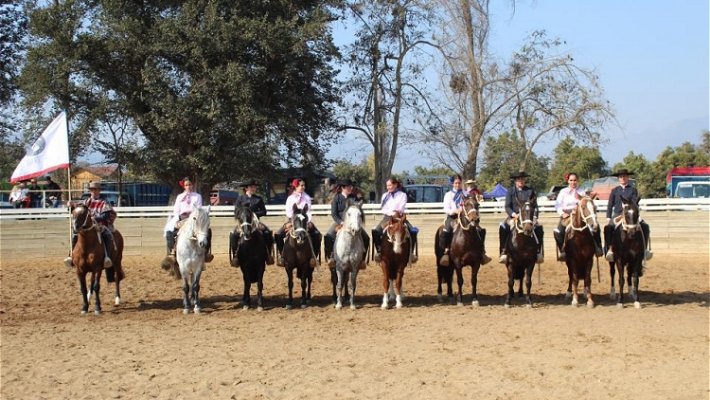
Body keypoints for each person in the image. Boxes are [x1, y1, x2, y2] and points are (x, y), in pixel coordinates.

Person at [439, 174, 492, 266]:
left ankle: (482, 252)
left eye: (459, 183)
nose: (457, 185)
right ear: (453, 184)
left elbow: (472, 204)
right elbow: (446, 209)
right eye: (456, 183)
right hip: (453, 217)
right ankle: (445, 252)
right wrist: (455, 210)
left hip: (465, 217)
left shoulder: (466, 193)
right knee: (446, 230)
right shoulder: (448, 195)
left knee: (480, 230)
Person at [64, 181, 116, 268]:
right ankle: (71, 255)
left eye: (96, 189)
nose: (94, 191)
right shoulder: (86, 202)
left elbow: (105, 215)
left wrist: (94, 218)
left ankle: (107, 257)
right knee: (75, 235)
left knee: (107, 235)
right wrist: (70, 206)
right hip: (86, 226)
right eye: (92, 190)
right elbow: (77, 210)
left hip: (99, 225)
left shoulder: (104, 202)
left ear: (99, 190)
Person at [604, 168, 652, 262]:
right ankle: (609, 249)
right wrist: (608, 217)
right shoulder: (615, 191)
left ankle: (644, 249)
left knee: (645, 226)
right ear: (618, 178)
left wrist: (628, 207)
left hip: (631, 214)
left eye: (625, 176)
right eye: (621, 177)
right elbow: (610, 204)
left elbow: (634, 202)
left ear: (628, 178)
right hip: (618, 214)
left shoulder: (633, 190)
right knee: (608, 228)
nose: (623, 178)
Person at [553, 172, 603, 261]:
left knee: (595, 227)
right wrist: (562, 213)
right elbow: (558, 205)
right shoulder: (563, 192)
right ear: (568, 181)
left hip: (580, 215)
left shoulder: (581, 191)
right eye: (571, 180)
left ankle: (597, 247)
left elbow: (586, 203)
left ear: (577, 181)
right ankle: (563, 251)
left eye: (575, 180)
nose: (573, 182)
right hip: (567, 215)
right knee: (558, 232)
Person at [163, 177, 213, 263]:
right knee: (169, 232)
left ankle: (205, 253)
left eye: (190, 184)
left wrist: (193, 217)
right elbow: (176, 210)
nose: (188, 186)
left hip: (194, 218)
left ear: (192, 185)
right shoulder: (180, 197)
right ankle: (172, 253)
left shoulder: (197, 196)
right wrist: (177, 218)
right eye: (186, 185)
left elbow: (199, 209)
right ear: (184, 186)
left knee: (207, 231)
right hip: (182, 217)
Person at [498, 171, 544, 264]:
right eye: (518, 179)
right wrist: (514, 215)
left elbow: (535, 206)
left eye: (522, 179)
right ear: (515, 181)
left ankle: (538, 251)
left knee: (539, 228)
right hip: (515, 216)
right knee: (503, 227)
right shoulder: (510, 191)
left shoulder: (530, 191)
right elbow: (507, 206)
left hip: (528, 217)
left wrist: (534, 217)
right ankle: (503, 251)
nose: (521, 181)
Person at [273, 178, 320, 268]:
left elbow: (309, 211)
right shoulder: (290, 198)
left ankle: (313, 257)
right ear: (296, 186)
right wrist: (293, 221)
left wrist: (307, 221)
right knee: (278, 235)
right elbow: (289, 212)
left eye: (304, 185)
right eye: (301, 185)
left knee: (317, 235)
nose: (303, 187)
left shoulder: (307, 197)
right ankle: (282, 256)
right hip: (292, 220)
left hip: (305, 220)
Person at [324, 178, 370, 269]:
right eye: (349, 187)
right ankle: (332, 256)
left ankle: (362, 260)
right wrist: (341, 222)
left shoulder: (354, 197)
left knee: (366, 237)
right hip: (339, 222)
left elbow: (359, 208)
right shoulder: (336, 198)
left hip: (352, 223)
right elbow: (334, 213)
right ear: (343, 188)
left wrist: (361, 198)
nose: (351, 188)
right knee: (328, 235)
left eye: (351, 187)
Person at [371, 177, 418, 263]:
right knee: (376, 231)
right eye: (387, 185)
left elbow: (401, 206)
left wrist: (397, 213)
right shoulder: (385, 196)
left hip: (400, 217)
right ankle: (379, 251)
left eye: (390, 185)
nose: (388, 187)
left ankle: (411, 253)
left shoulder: (402, 195)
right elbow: (383, 208)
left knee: (413, 231)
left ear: (395, 185)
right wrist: (391, 213)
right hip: (387, 217)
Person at [231, 179, 274, 265]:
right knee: (234, 234)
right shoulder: (240, 199)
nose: (254, 188)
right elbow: (236, 211)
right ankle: (235, 255)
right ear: (246, 188)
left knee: (267, 232)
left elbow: (264, 211)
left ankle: (268, 254)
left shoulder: (259, 199)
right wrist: (244, 214)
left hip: (255, 221)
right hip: (243, 222)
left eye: (254, 187)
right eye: (251, 187)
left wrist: (253, 214)